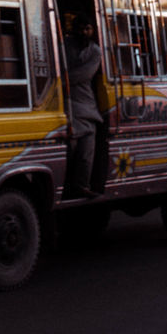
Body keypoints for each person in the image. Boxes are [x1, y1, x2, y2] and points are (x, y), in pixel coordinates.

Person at [64, 14, 103, 198]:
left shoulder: (95, 51)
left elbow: (84, 75)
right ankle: (70, 187)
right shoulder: (65, 45)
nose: (84, 32)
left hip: (86, 106)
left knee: (86, 153)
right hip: (67, 105)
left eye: (87, 29)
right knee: (70, 152)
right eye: (81, 29)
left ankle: (82, 185)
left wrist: (62, 80)